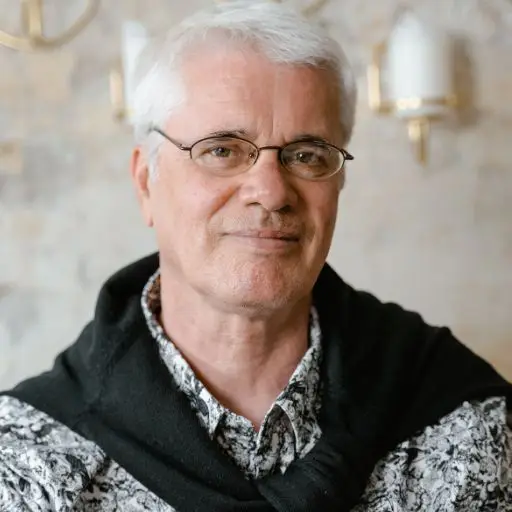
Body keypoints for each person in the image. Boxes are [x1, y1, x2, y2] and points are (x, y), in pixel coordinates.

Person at [1, 1, 511, 511]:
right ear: (145, 183)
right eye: (222, 149)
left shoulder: (467, 428)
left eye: (307, 154)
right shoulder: (26, 466)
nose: (270, 192)